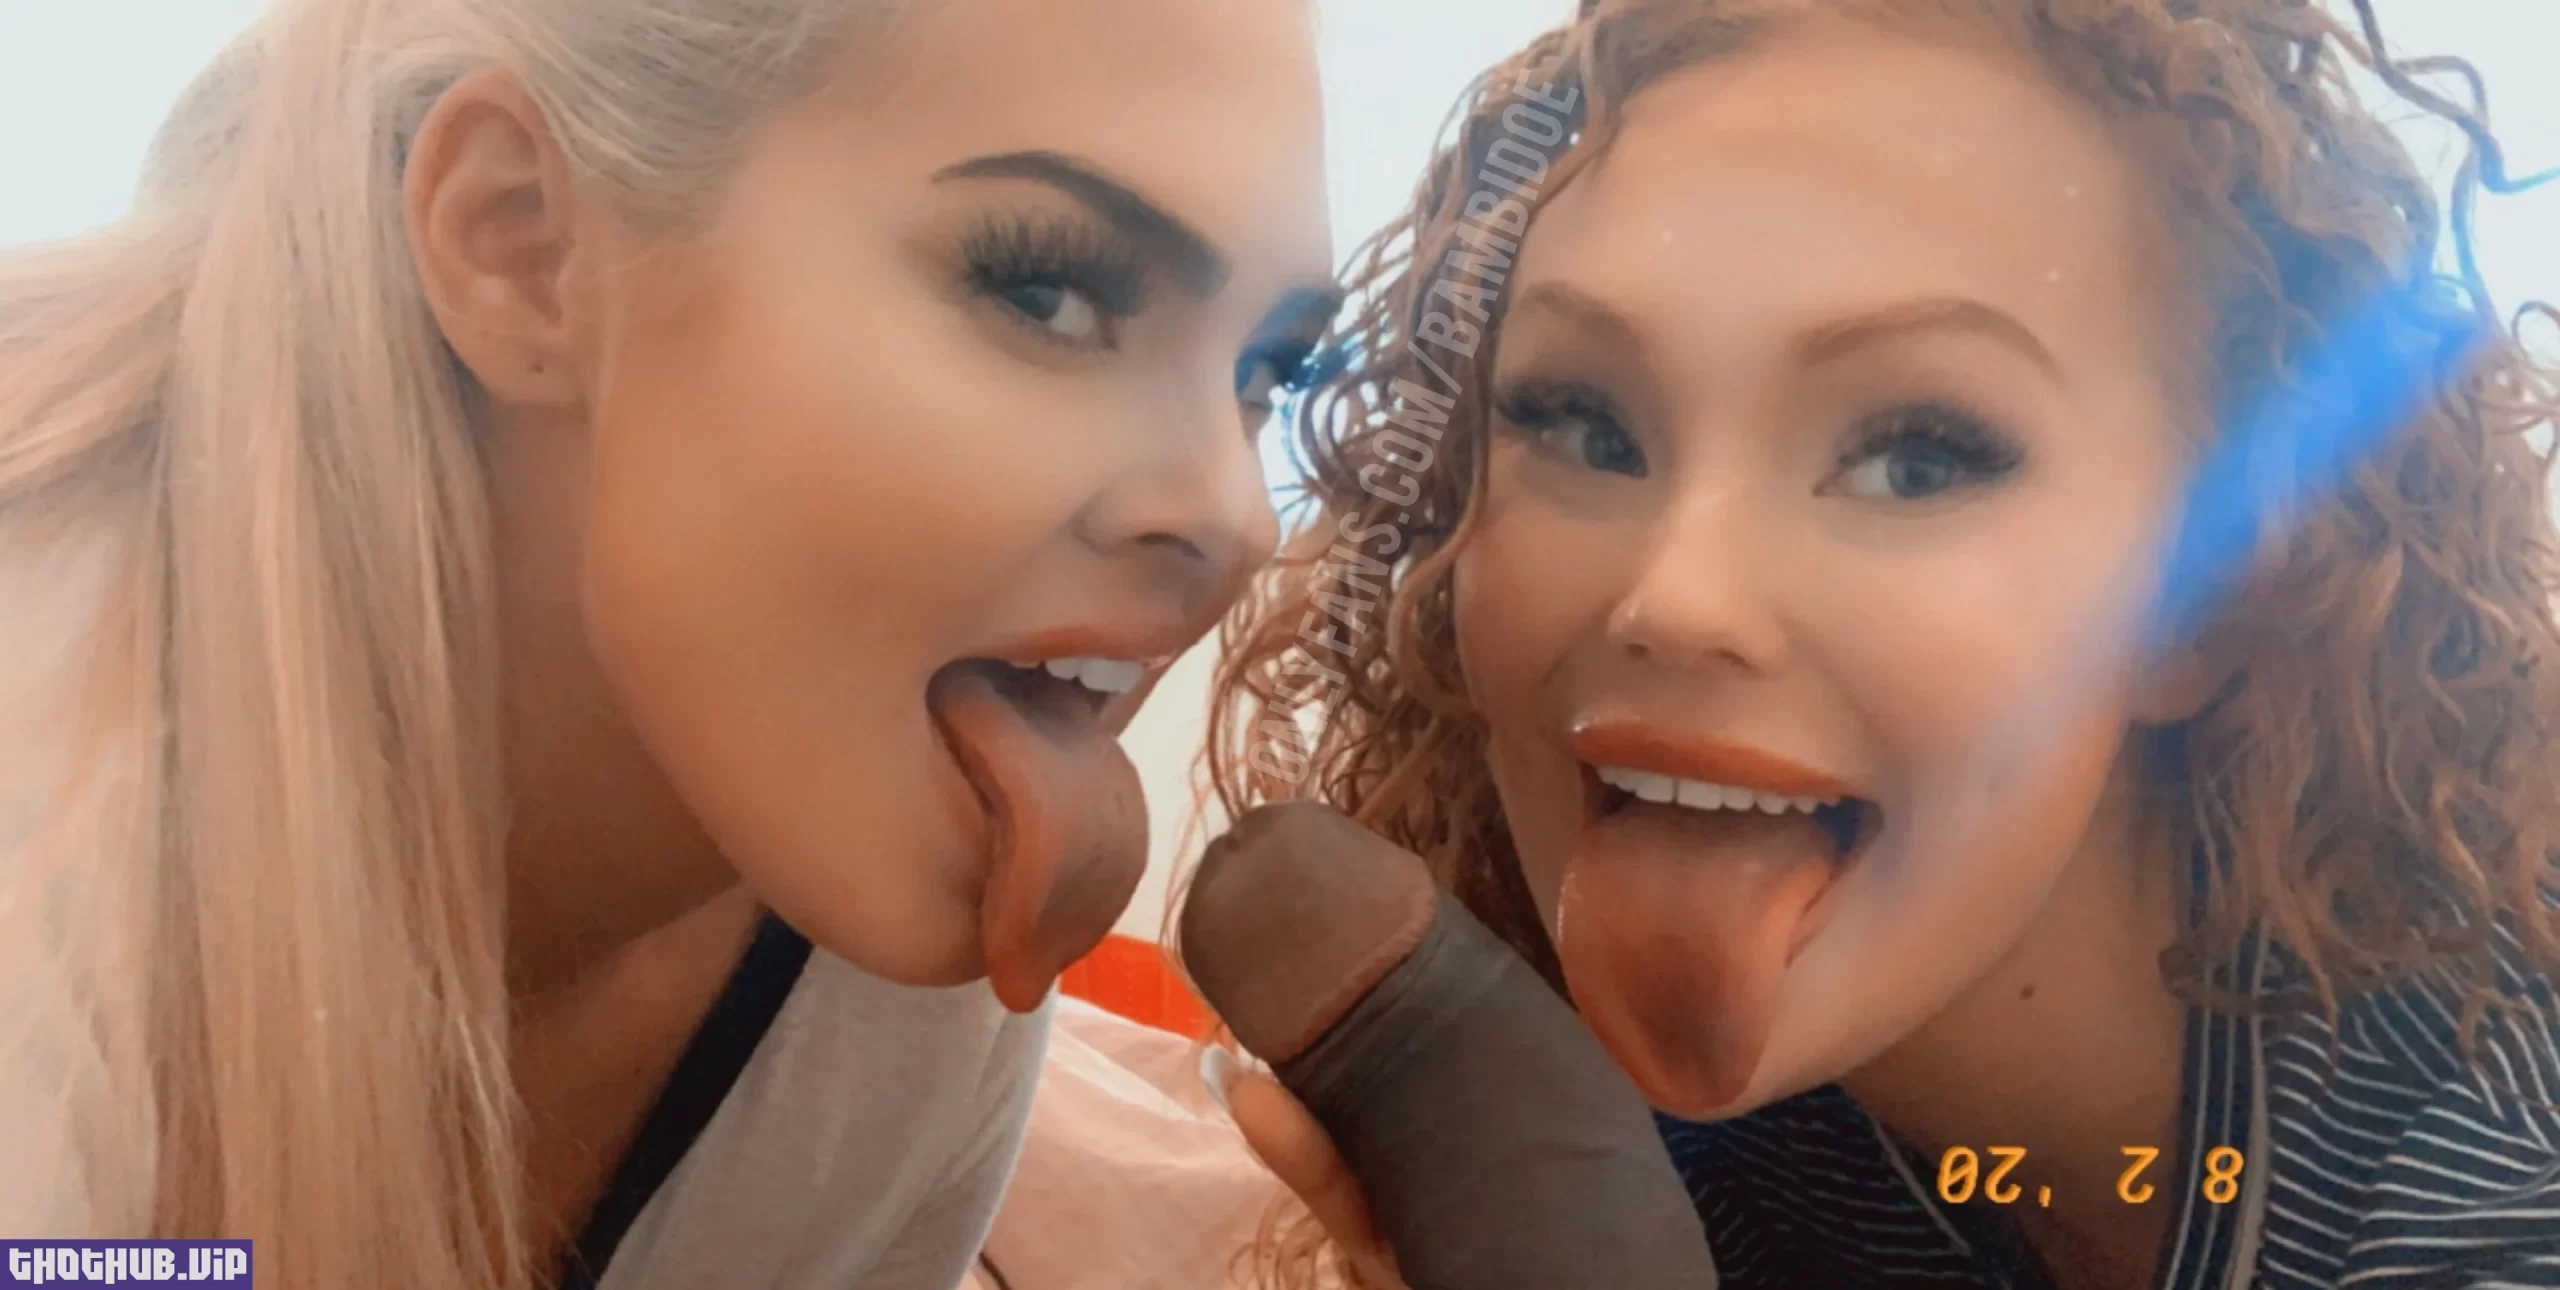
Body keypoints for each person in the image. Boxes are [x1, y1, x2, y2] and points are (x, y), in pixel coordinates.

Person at [1198, 0, 2560, 1287]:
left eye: (1916, 456)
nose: (1676, 597)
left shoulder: (2494, 1187)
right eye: (1582, 423)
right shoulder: (1714, 1138)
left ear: (2210, 594)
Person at [0, 0, 1337, 1287]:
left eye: (1266, 373)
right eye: (1046, 290)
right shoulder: (43, 880)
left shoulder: (909, 988)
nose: (1236, 515)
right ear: (518, 246)